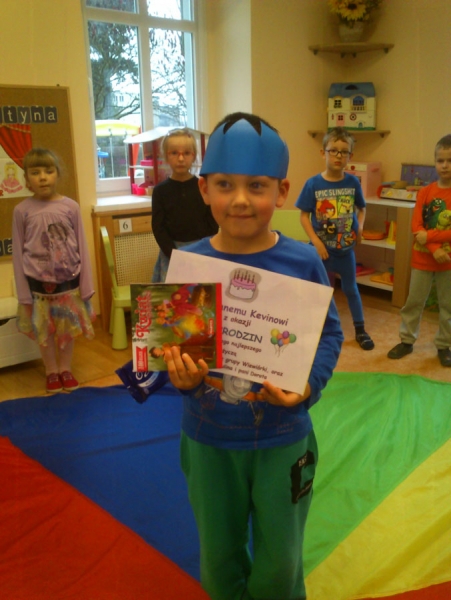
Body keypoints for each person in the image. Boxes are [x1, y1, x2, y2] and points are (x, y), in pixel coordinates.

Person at [163, 112, 344, 600]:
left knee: (280, 561)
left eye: (257, 186)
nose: (240, 199)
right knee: (218, 557)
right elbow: (172, 351)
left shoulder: (302, 261)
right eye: (225, 184)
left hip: (284, 437)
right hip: (209, 439)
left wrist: (309, 385)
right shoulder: (190, 264)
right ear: (204, 189)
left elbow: (329, 333)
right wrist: (181, 380)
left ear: (281, 192)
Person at [12, 148, 96, 393]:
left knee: (66, 329)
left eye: (48, 171)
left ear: (57, 174)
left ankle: (65, 369)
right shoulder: (21, 211)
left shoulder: (71, 207)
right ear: (27, 178)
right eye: (35, 172)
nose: (42, 177)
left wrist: (86, 287)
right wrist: (23, 294)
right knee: (45, 331)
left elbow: (82, 246)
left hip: (68, 286)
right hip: (38, 288)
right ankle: (51, 370)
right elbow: (18, 253)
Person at [295, 126, 375, 350]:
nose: (339, 156)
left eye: (344, 152)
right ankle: (316, 330)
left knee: (351, 290)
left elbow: (362, 208)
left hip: (345, 251)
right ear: (324, 153)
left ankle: (360, 330)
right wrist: (316, 242)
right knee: (319, 291)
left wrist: (360, 226)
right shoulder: (313, 184)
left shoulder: (353, 183)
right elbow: (303, 216)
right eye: (334, 151)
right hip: (321, 252)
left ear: (350, 155)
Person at [387, 134, 451, 366]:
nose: (445, 165)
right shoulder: (425, 192)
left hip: (448, 262)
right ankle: (406, 340)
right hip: (423, 259)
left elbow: (426, 233)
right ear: (435, 162)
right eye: (440, 160)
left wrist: (430, 238)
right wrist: (434, 249)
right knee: (414, 302)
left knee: (448, 306)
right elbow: (417, 227)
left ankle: (444, 345)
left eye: (450, 160)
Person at [151, 128, 219, 282]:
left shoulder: (203, 187)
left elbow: (212, 222)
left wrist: (204, 249)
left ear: (193, 156)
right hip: (172, 255)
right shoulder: (160, 191)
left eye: (186, 153)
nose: (181, 158)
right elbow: (158, 228)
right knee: (174, 295)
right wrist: (175, 255)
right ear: (166, 156)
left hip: (201, 254)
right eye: (174, 153)